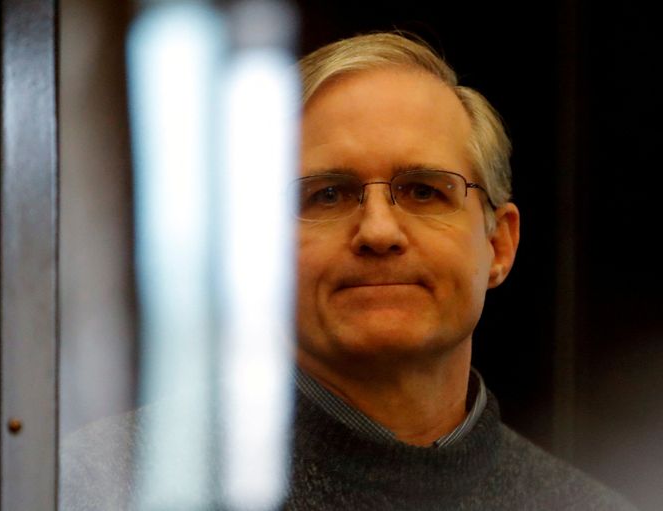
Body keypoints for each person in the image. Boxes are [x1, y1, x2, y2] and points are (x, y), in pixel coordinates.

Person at [61, 32, 637, 510]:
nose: (379, 232)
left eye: (423, 191)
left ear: (500, 245)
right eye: (328, 194)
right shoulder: (106, 487)